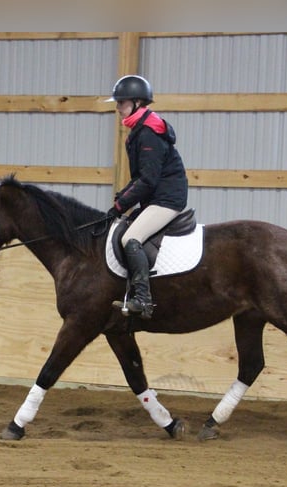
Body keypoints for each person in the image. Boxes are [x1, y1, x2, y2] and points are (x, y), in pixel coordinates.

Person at [105, 74, 189, 319]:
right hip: (157, 196)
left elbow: (148, 180)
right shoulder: (141, 130)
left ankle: (143, 300)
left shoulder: (148, 134)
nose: (118, 108)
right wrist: (123, 197)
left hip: (166, 199)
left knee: (131, 238)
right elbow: (142, 176)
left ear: (137, 103)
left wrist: (121, 205)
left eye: (121, 103)